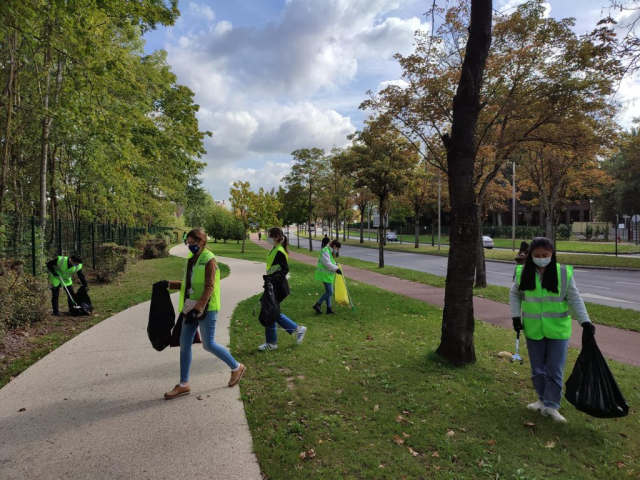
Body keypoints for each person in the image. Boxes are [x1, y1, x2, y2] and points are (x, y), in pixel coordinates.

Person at [510, 237, 595, 423]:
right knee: (537, 370)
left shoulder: (563, 274)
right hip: (533, 330)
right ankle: (542, 400)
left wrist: (585, 322)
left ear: (552, 254)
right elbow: (515, 294)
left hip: (558, 331)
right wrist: (516, 317)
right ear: (531, 255)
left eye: (545, 255)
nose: (541, 259)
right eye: (537, 255)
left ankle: (551, 405)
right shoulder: (523, 272)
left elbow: (574, 299)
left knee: (554, 370)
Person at [162, 229, 245, 399]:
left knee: (209, 344)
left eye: (194, 243)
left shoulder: (209, 260)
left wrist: (197, 309)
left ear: (202, 242)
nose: (190, 246)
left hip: (206, 308)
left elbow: (209, 287)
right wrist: (169, 284)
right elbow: (189, 283)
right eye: (188, 243)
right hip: (190, 308)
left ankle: (237, 367)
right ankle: (183, 384)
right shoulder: (191, 259)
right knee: (184, 344)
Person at [259, 227, 307, 351]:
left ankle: (273, 342)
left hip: (277, 286)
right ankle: (294, 331)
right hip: (273, 285)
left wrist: (272, 279)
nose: (267, 237)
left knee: (270, 311)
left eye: (269, 235)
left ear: (275, 237)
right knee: (272, 311)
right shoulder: (275, 249)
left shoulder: (279, 251)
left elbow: (285, 269)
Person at [313, 240, 342, 315]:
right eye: (337, 249)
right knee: (330, 292)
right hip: (324, 275)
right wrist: (336, 269)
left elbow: (330, 261)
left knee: (328, 292)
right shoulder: (325, 251)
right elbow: (327, 263)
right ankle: (318, 304)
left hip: (328, 275)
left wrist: (335, 264)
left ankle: (329, 309)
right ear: (334, 246)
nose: (337, 251)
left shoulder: (328, 250)